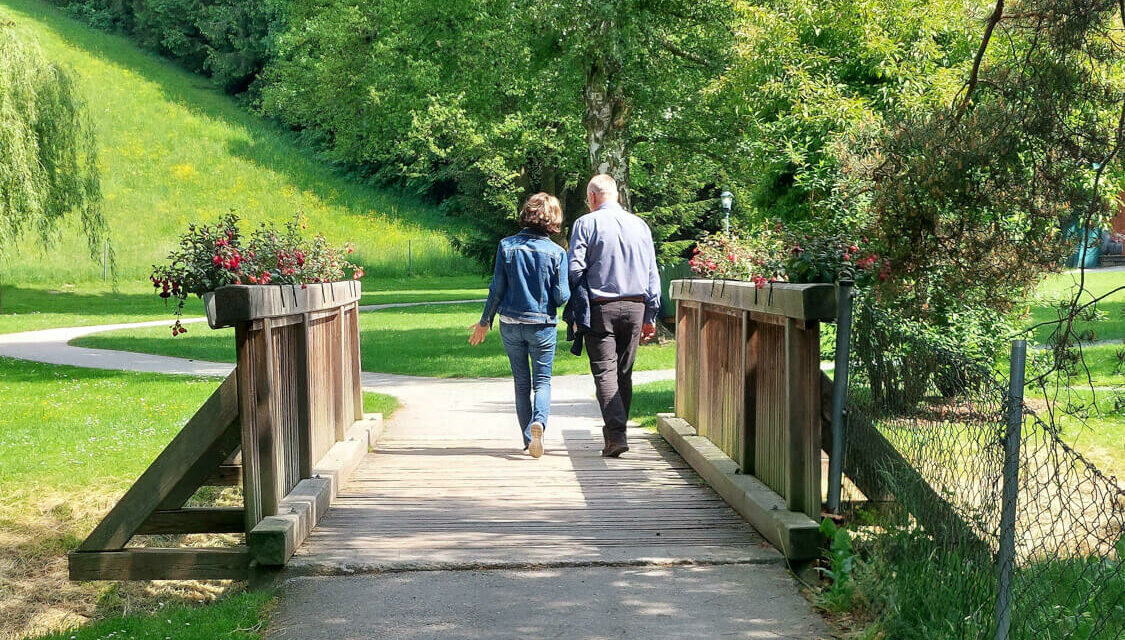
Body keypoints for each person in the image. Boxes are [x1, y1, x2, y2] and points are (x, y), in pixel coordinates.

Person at [469, 193, 570, 458]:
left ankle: (528, 438)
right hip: (542, 325)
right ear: (553, 220)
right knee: (543, 381)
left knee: (521, 383)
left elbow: (497, 288)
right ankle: (540, 423)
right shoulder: (558, 253)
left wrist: (484, 321)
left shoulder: (506, 246)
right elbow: (560, 297)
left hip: (510, 324)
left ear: (526, 213)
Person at [567, 174, 661, 458]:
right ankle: (614, 436)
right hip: (636, 307)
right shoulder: (640, 225)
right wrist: (651, 314)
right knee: (623, 373)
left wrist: (577, 307)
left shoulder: (586, 223)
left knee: (605, 373)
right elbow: (651, 272)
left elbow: (574, 269)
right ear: (616, 195)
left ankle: (617, 435)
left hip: (601, 308)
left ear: (593, 197)